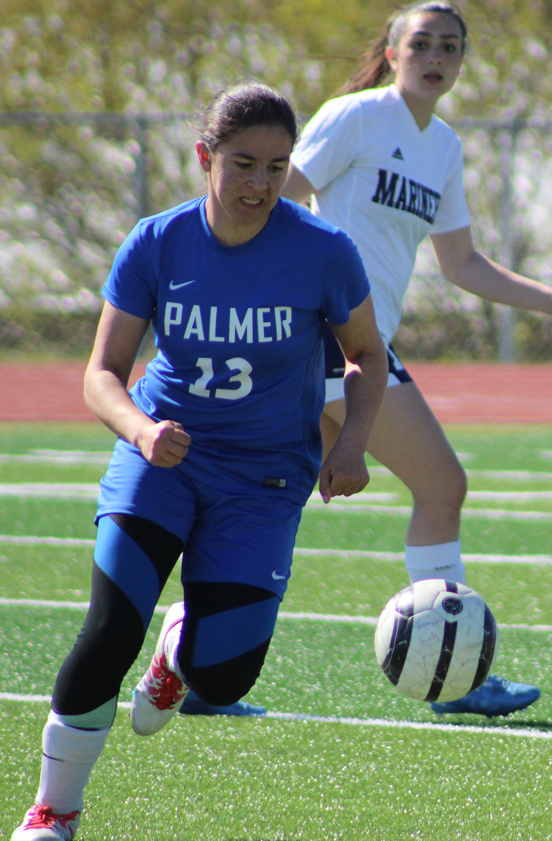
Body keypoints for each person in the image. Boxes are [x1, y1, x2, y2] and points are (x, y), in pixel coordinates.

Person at [10, 81, 388, 841]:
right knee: (111, 628)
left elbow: (367, 355)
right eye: (243, 164)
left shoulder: (323, 251)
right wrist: (142, 431)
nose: (260, 184)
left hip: (267, 476)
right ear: (204, 157)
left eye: (277, 167)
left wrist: (349, 444)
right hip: (162, 461)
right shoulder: (157, 241)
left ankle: (183, 647)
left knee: (224, 678)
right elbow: (102, 373)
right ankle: (55, 806)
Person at [280, 1, 552, 717]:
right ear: (394, 53)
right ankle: (455, 678)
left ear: (462, 62)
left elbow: (461, 263)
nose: (436, 56)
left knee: (266, 502)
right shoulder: (356, 116)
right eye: (422, 43)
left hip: (362, 343)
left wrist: (550, 300)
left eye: (450, 47)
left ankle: (190, 661)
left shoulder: (444, 146)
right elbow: (279, 199)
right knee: (442, 483)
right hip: (326, 336)